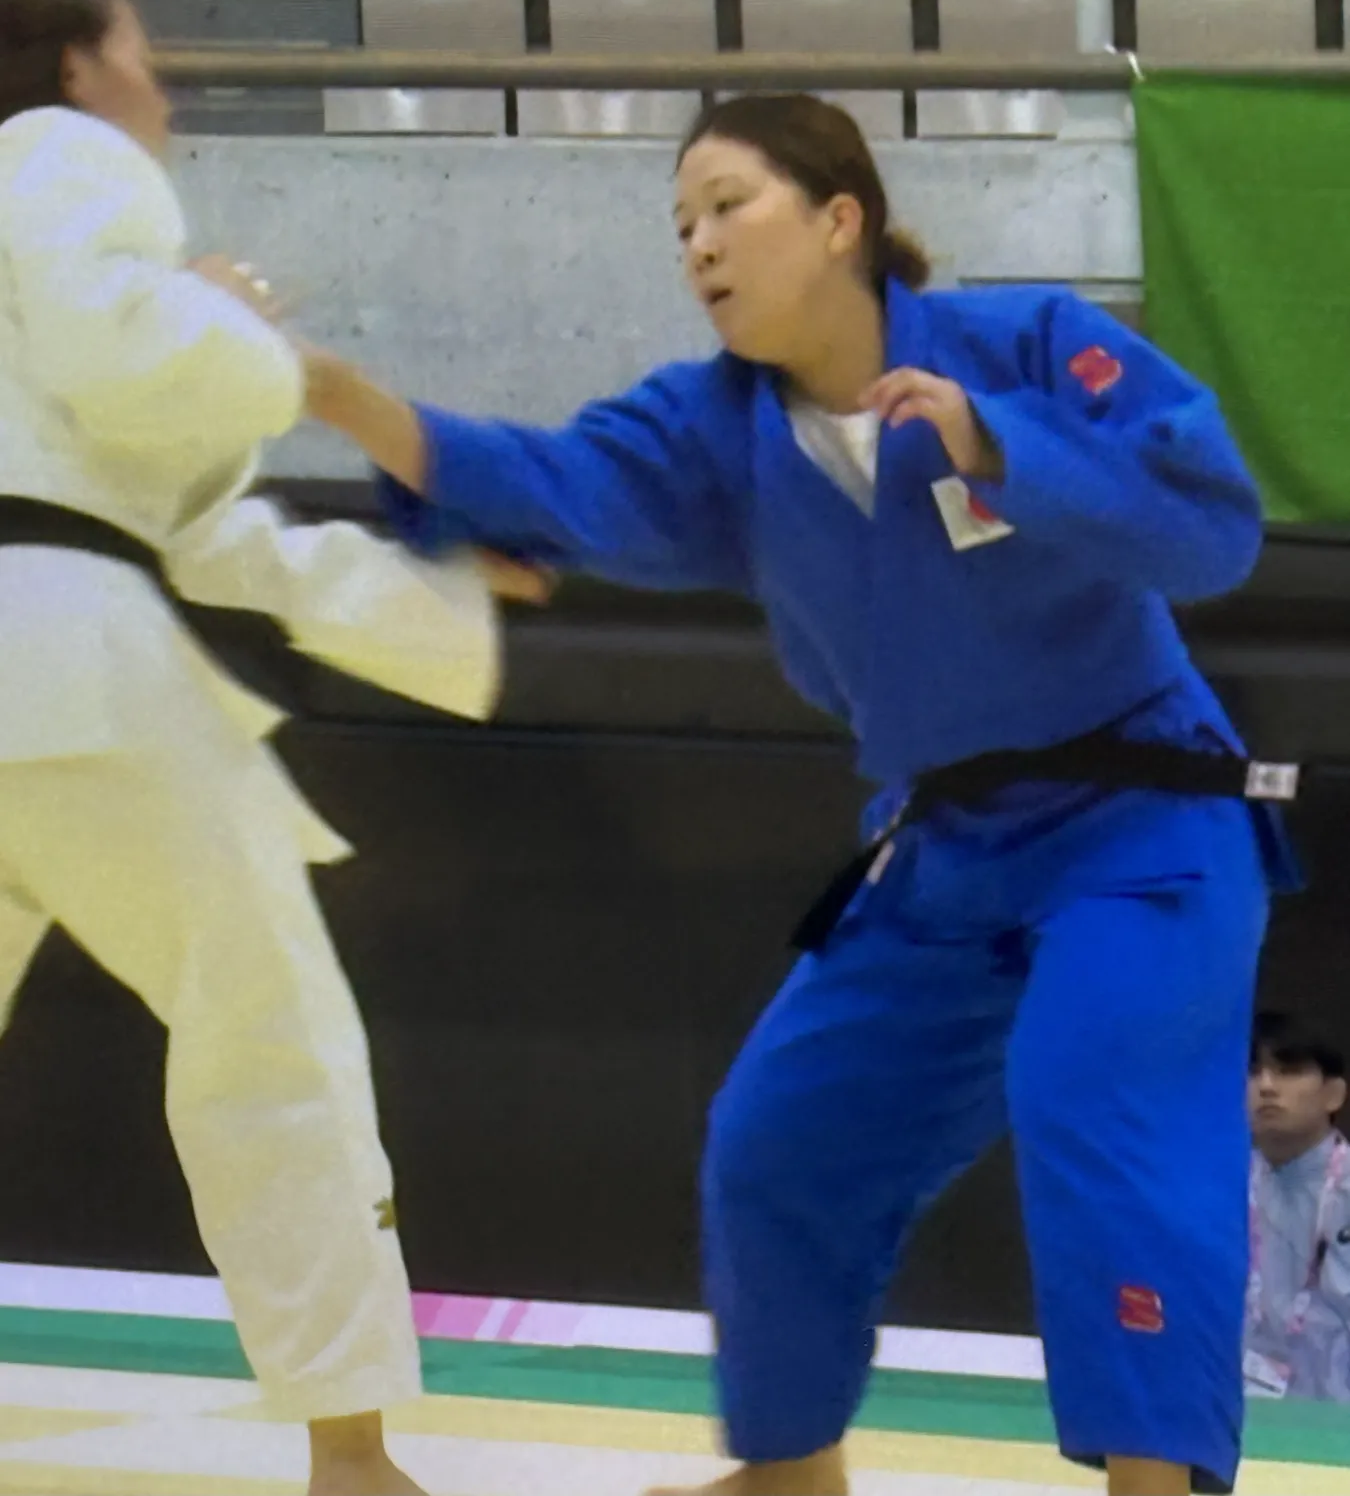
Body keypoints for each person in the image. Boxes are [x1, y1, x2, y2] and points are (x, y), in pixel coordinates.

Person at [298, 92, 1296, 1496]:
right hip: (942, 853)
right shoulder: (715, 430)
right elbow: (549, 477)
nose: (698, 245)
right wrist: (336, 395)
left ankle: (1155, 1487)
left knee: (1093, 1099)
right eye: (681, 226)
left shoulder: (1025, 344)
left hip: (1142, 828)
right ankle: (791, 1474)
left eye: (727, 205)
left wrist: (1000, 444)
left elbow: (1210, 530)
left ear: (840, 220)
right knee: (781, 1137)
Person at [0, 0, 549, 1496]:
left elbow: (191, 525)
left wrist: (429, 596)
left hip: (66, 605)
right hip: (70, 662)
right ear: (77, 63)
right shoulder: (58, 155)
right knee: (272, 1045)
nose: (162, 88)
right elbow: (128, 359)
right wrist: (247, 333)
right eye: (144, 53)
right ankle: (350, 1455)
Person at [1245, 1010, 1350, 1404]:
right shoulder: (1216, 1188)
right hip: (1235, 1411)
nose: (1267, 1086)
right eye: (1252, 1072)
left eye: (1288, 1071)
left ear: (1333, 1094)